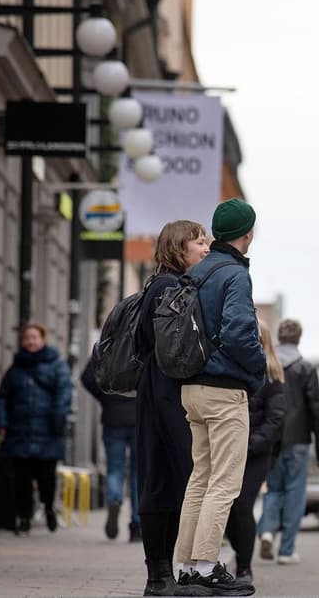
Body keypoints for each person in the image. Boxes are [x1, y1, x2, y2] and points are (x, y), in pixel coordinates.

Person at [175, 199, 264, 597]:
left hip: (191, 388)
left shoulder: (197, 272)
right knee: (225, 484)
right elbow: (240, 334)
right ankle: (208, 567)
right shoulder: (234, 275)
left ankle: (185, 567)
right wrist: (259, 369)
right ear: (248, 234)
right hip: (225, 390)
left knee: (200, 479)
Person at [134, 219, 212, 597]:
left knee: (164, 478)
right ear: (179, 247)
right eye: (199, 242)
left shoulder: (160, 284)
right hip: (165, 390)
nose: (205, 248)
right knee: (168, 479)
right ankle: (160, 577)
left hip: (159, 389)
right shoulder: (169, 287)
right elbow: (174, 348)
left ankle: (164, 575)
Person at [257, 318, 319, 566]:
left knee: (273, 489)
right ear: (299, 338)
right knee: (295, 493)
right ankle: (286, 550)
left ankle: (266, 531)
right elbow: (315, 409)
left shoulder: (268, 366)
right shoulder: (305, 368)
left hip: (272, 440)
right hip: (298, 440)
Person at [0, 322, 71, 536]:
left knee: (46, 477)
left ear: (42, 339)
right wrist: (2, 423)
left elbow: (64, 395)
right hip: (20, 431)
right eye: (27, 338)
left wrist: (57, 422)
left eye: (34, 337)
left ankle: (48, 507)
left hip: (48, 431)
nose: (30, 341)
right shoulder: (15, 369)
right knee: (22, 479)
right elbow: (3, 398)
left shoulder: (57, 365)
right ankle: (24, 517)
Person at [225, 320, 286, 584]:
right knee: (225, 506)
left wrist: (248, 445)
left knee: (241, 505)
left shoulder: (273, 377)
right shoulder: (233, 372)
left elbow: (275, 420)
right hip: (229, 449)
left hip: (256, 454)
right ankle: (234, 558)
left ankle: (244, 567)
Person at [80, 362, 140, 541]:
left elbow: (87, 377)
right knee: (138, 473)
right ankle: (136, 525)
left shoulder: (110, 340)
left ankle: (114, 499)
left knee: (115, 469)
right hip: (139, 416)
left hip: (113, 415)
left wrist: (106, 396)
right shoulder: (143, 339)